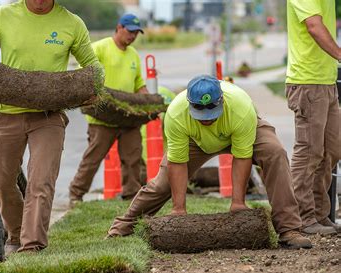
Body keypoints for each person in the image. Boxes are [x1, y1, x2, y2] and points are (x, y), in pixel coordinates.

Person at [0, 0, 100, 256]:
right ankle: (16, 232)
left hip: (48, 117)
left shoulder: (71, 23)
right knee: (0, 181)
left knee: (41, 181)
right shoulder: (3, 15)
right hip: (7, 114)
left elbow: (92, 66)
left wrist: (90, 89)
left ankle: (31, 246)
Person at [107, 75, 313, 250]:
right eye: (200, 114)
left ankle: (288, 229)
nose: (206, 118)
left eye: (211, 112)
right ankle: (122, 227)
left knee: (275, 153)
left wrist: (238, 203)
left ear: (221, 101)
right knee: (161, 184)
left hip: (239, 129)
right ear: (190, 105)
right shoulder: (176, 115)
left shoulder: (240, 108)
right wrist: (179, 209)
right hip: (195, 140)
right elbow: (177, 163)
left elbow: (242, 157)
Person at [68, 13, 149, 205]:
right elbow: (85, 74)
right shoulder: (101, 48)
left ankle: (131, 195)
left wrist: (149, 101)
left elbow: (139, 84)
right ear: (119, 27)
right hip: (101, 117)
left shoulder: (133, 55)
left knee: (133, 157)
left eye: (136, 33)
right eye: (130, 31)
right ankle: (76, 194)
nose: (133, 36)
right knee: (93, 158)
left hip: (127, 117)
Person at [286, 0, 341, 234]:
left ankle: (320, 214)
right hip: (307, 82)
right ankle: (302, 218)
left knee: (331, 150)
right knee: (309, 151)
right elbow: (314, 26)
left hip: (326, 81)